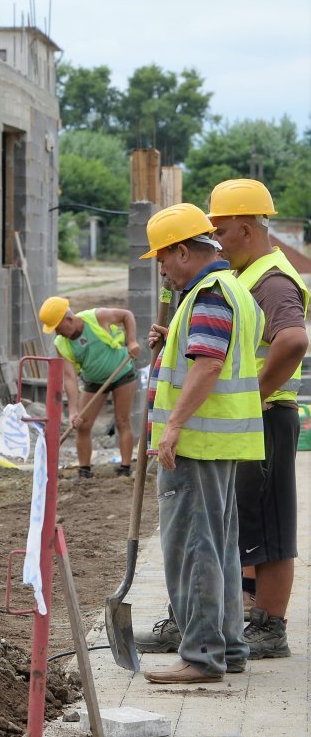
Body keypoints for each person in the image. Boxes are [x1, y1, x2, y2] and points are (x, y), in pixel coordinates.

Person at [131, 202, 266, 685]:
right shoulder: (229, 289)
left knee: (194, 548)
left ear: (185, 252)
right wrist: (175, 339)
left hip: (196, 445)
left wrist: (172, 427)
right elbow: (212, 354)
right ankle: (227, 648)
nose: (162, 269)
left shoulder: (208, 293)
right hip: (221, 445)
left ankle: (202, 654)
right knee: (219, 546)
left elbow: (209, 364)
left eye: (163, 259)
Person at [208, 178, 306, 661]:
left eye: (221, 232)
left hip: (269, 416)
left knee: (271, 524)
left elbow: (292, 340)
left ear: (246, 228)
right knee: (254, 518)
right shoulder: (251, 273)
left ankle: (271, 628)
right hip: (259, 417)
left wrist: (255, 395)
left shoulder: (272, 279)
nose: (217, 242)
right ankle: (253, 616)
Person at [38, 296, 140, 478]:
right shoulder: (61, 344)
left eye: (58, 328)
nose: (57, 333)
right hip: (93, 381)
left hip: (121, 373)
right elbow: (69, 379)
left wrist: (131, 341)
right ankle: (84, 470)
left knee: (122, 420)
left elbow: (127, 315)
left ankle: (125, 468)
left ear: (68, 319)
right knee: (82, 425)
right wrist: (73, 411)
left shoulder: (97, 317)